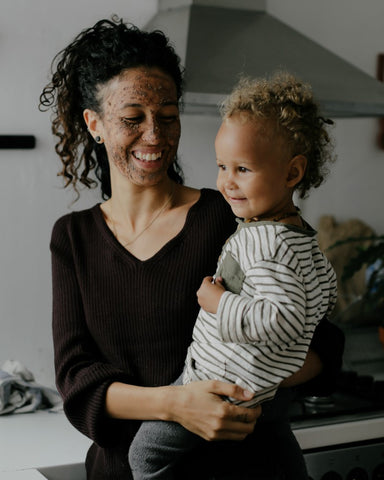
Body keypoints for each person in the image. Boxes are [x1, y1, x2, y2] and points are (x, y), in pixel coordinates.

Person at [40, 17, 344, 480]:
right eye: (131, 119)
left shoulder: (232, 217)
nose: (155, 136)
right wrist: (178, 405)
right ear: (95, 124)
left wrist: (239, 389)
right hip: (125, 470)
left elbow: (320, 343)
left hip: (250, 468)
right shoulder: (73, 238)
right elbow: (78, 383)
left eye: (167, 116)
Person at [128, 72, 338, 479]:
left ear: (293, 174)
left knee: (145, 456)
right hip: (245, 389)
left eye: (243, 168)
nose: (226, 181)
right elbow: (324, 296)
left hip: (220, 379)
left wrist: (218, 303)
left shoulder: (267, 242)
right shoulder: (300, 239)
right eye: (223, 165)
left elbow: (285, 319)